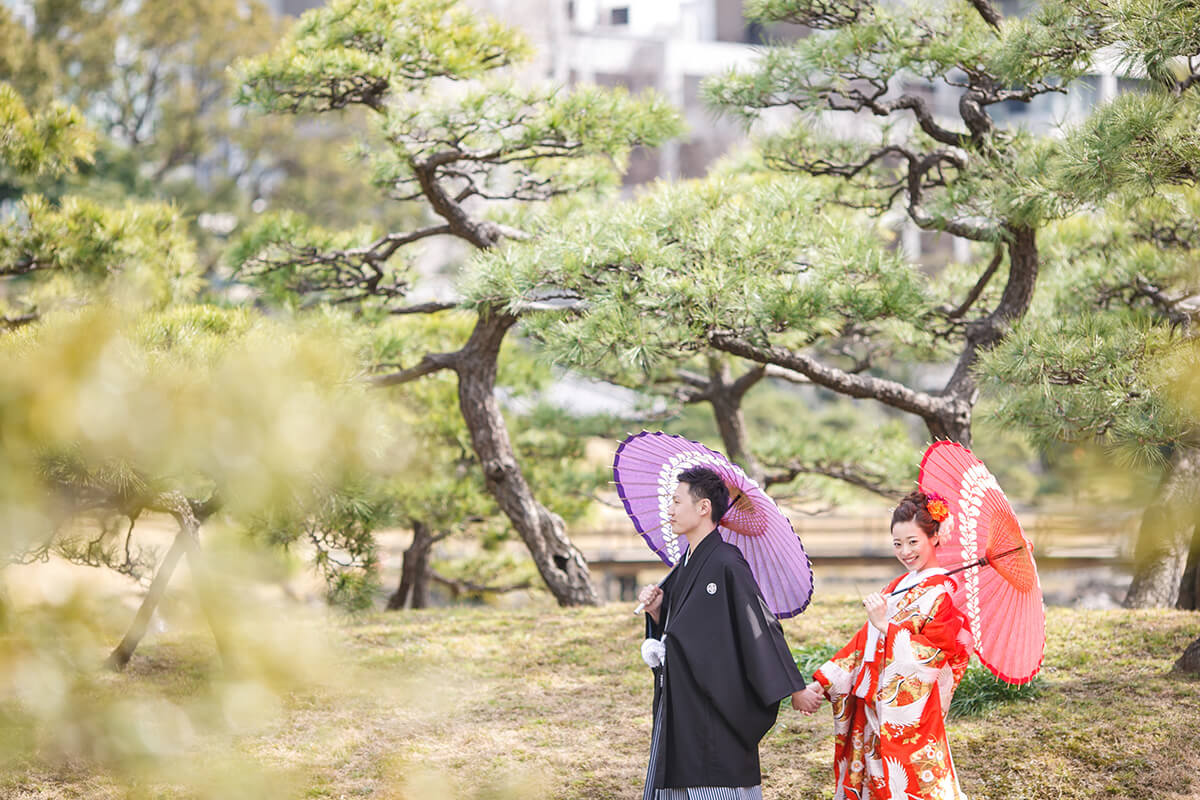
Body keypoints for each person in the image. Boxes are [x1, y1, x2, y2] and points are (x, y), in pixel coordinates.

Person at [637, 466, 819, 800]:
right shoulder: (687, 563)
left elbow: (759, 626)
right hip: (683, 700)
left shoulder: (726, 562)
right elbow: (683, 627)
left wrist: (794, 688)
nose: (670, 510)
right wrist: (658, 610)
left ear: (703, 507)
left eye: (677, 501)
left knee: (715, 778)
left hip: (714, 704)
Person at [793, 490, 973, 800]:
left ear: (935, 537)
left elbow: (934, 657)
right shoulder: (899, 585)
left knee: (912, 786)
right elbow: (863, 643)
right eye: (897, 543)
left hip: (908, 717)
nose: (905, 551)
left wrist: (886, 626)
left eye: (913, 542)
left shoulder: (942, 593)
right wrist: (821, 684)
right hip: (872, 710)